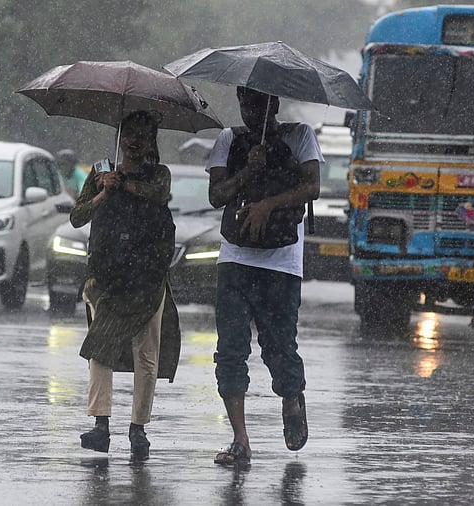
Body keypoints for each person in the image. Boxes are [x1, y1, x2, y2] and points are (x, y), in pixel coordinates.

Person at [207, 86, 322, 465]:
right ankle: (240, 440)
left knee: (278, 346)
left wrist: (268, 205)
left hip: (281, 263)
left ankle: (292, 398)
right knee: (230, 350)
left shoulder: (300, 136)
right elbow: (216, 195)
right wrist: (247, 172)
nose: (250, 111)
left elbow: (313, 186)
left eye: (258, 104)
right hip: (235, 259)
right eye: (244, 104)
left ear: (275, 104)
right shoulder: (229, 140)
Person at [69, 110, 181, 460]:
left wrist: (125, 184)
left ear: (151, 141)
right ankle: (100, 425)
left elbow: (158, 194)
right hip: (106, 279)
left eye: (142, 135)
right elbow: (77, 217)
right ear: (120, 136)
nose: (134, 141)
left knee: (146, 354)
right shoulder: (99, 173)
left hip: (148, 280)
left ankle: (138, 429)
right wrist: (103, 191)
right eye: (129, 133)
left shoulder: (159, 174)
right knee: (99, 347)